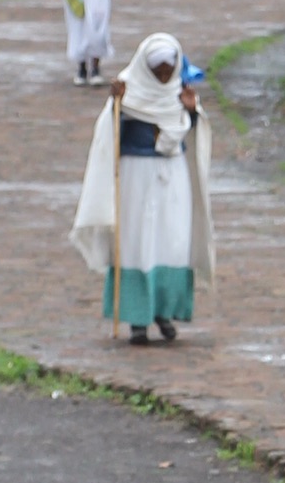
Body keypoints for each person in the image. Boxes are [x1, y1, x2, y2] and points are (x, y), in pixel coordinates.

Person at [70, 32, 214, 344]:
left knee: (171, 240)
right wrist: (117, 106)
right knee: (137, 241)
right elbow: (109, 134)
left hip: (172, 176)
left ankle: (163, 312)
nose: (163, 75)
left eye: (167, 69)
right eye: (157, 70)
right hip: (136, 176)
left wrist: (191, 111)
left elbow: (192, 131)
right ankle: (137, 318)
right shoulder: (128, 88)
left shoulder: (180, 91)